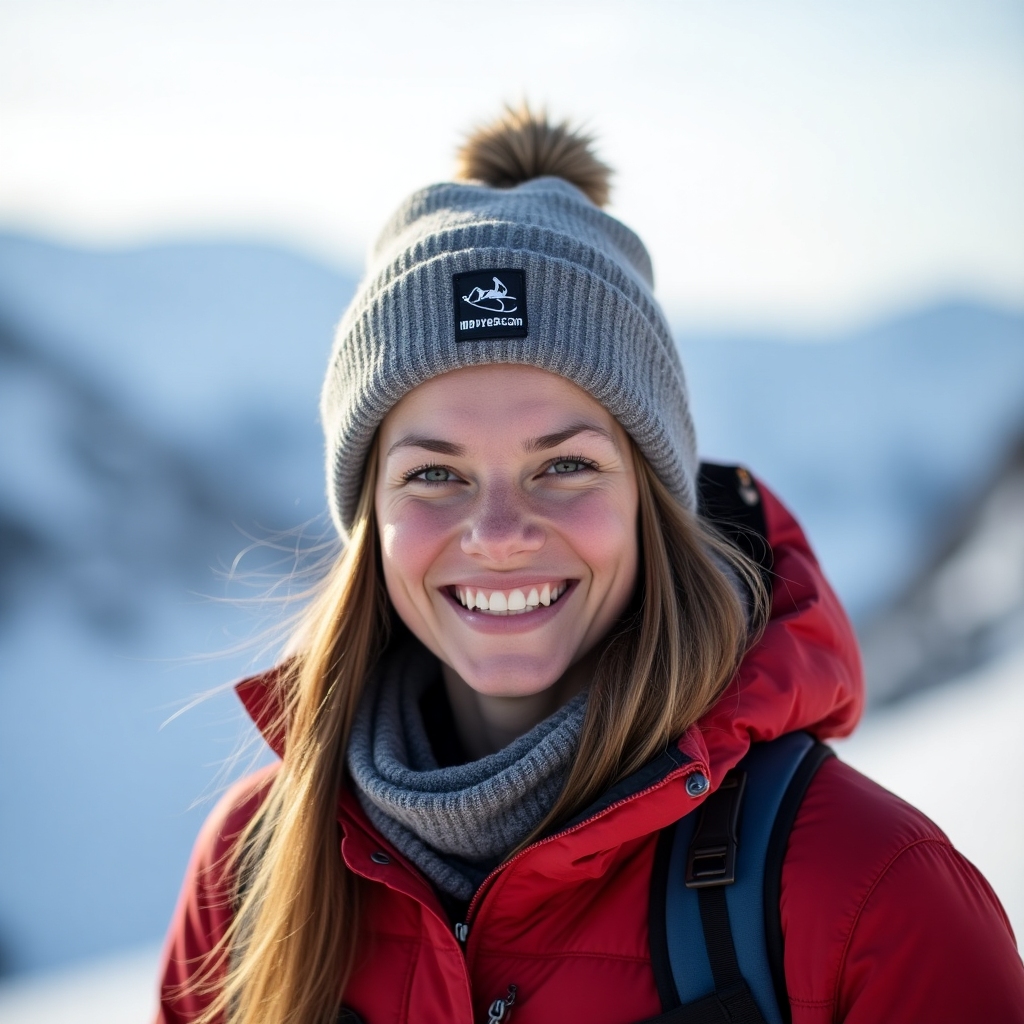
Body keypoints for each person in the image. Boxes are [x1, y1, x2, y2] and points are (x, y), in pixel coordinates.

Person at [156, 106, 1024, 1024]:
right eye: (434, 474)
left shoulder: (872, 896)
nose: (497, 531)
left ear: (654, 499)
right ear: (370, 515)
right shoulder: (250, 871)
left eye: (564, 465)